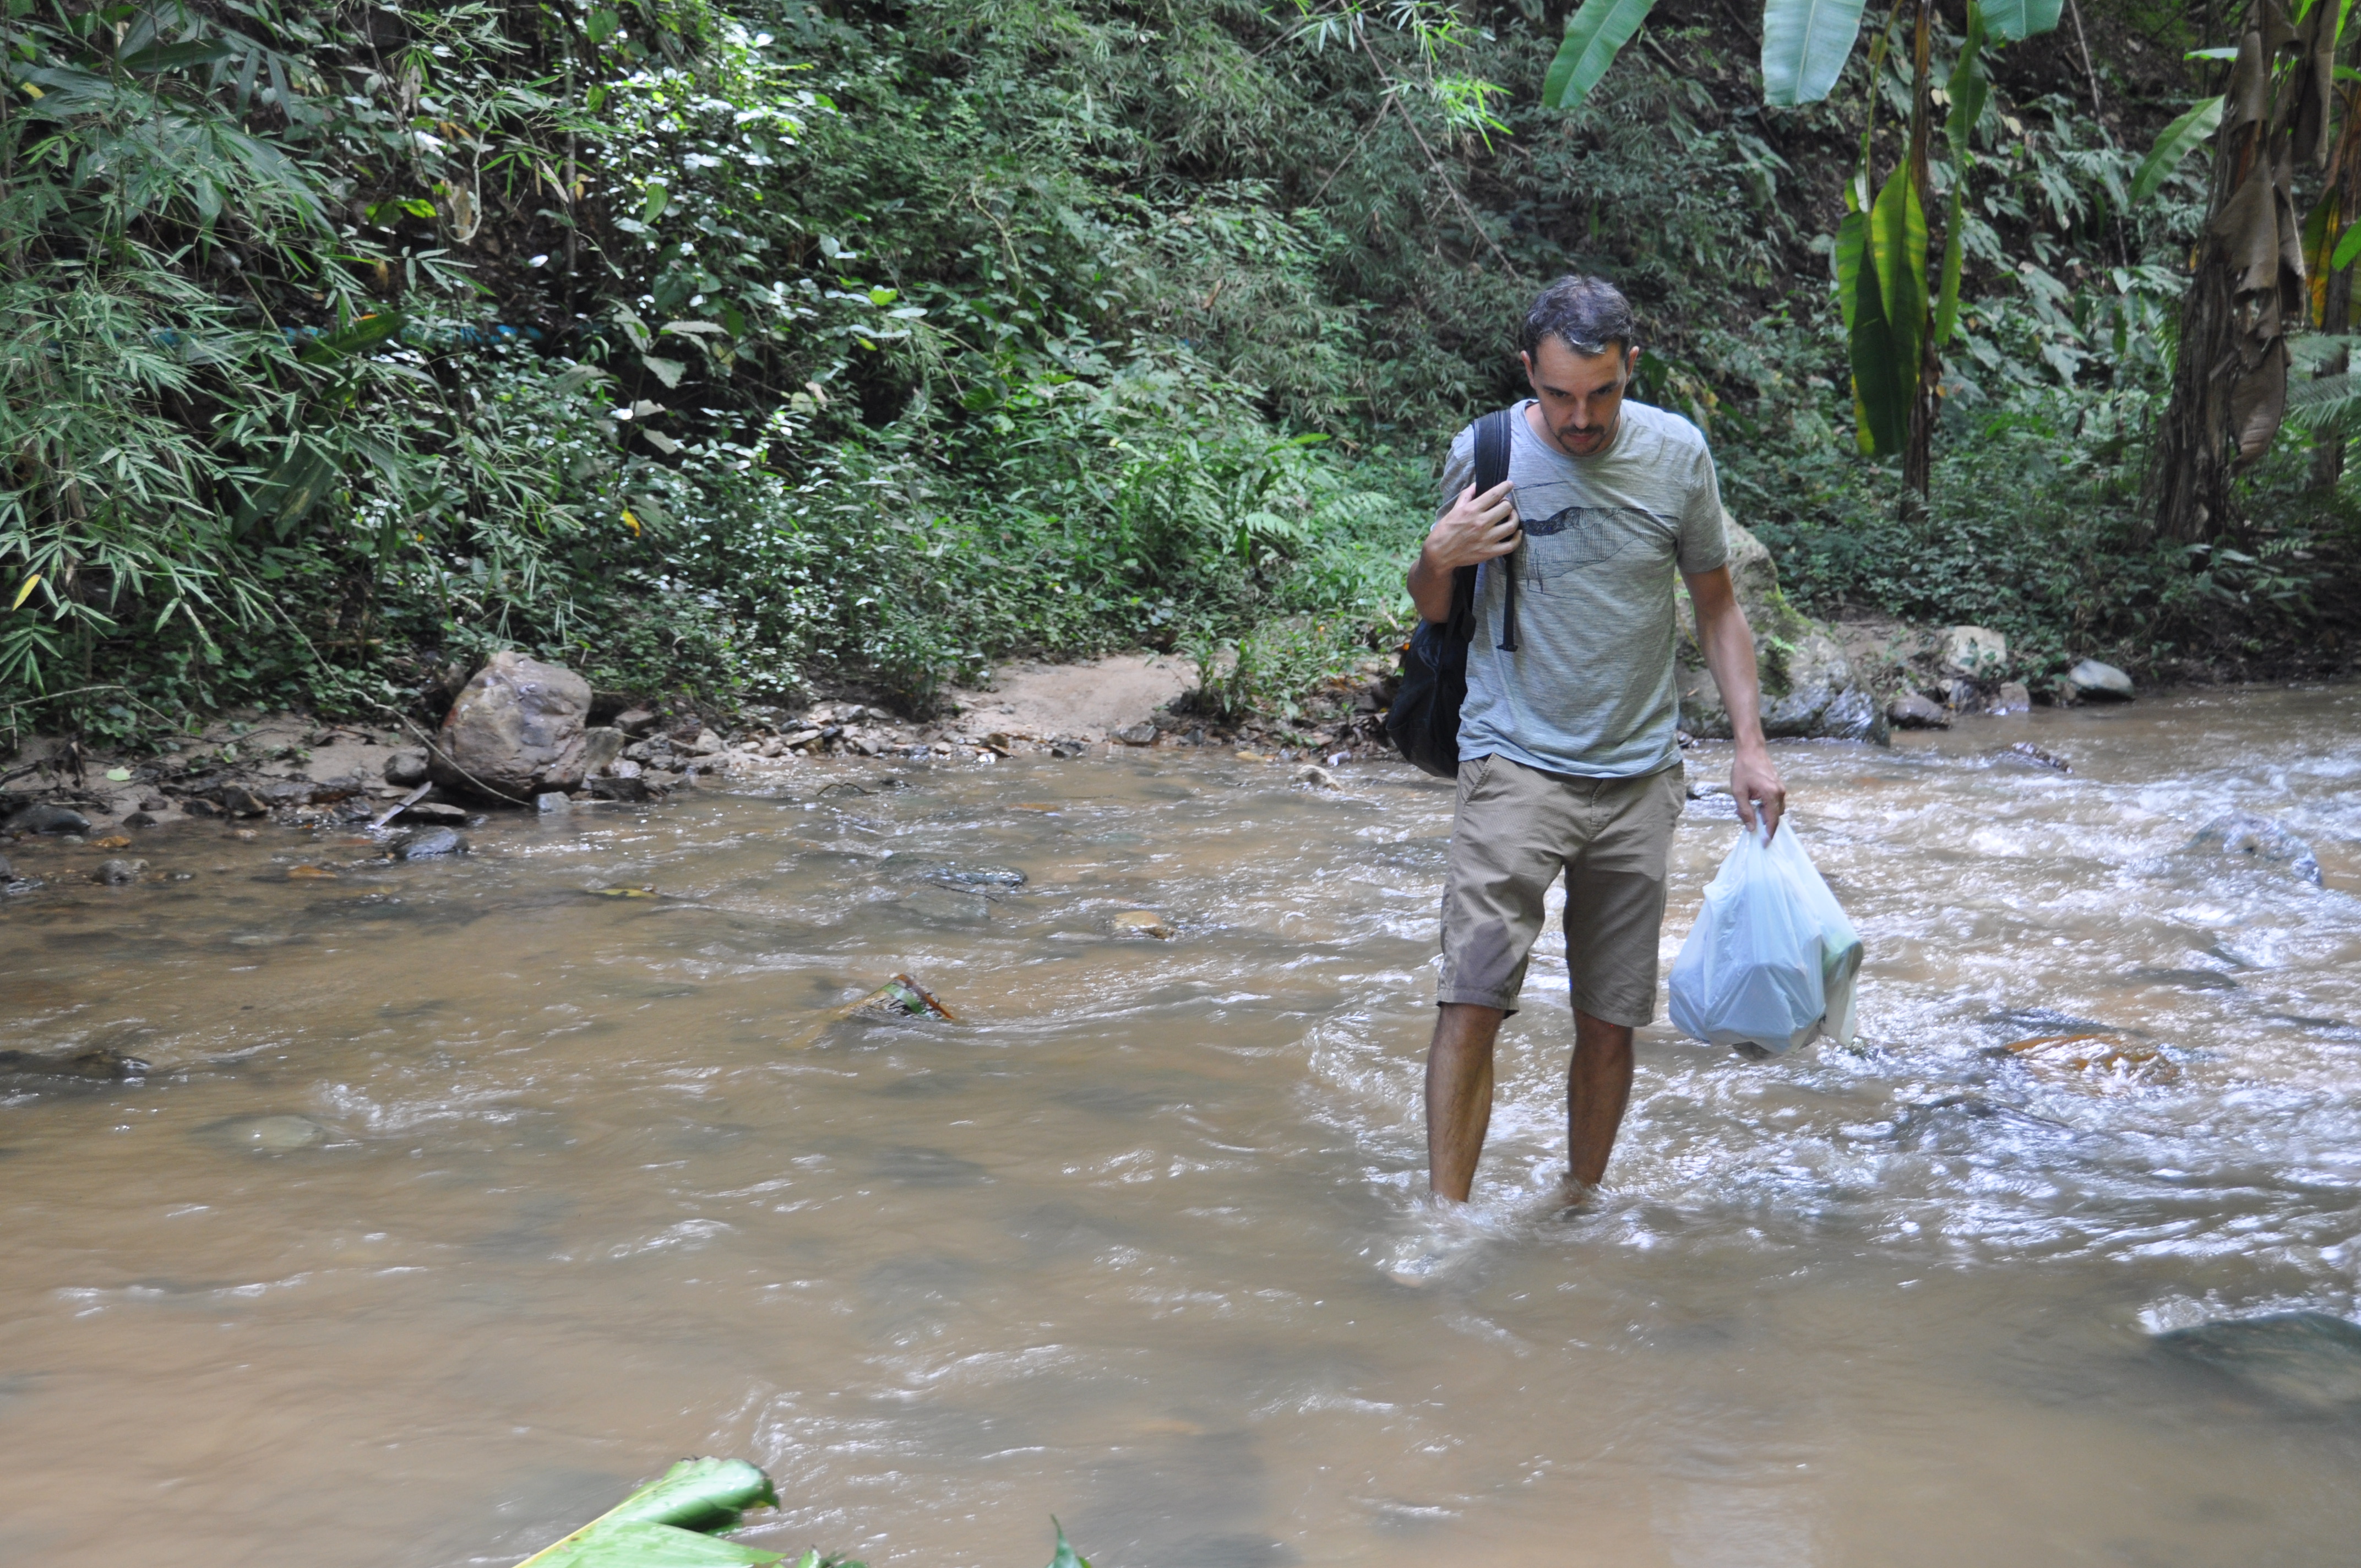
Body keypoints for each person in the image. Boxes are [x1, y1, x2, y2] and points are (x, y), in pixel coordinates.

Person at [1408, 274, 1783, 1205]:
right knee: (1471, 1000)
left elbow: (1717, 606)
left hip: (1638, 775)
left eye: (1603, 392)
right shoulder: (1485, 452)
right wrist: (1438, 553)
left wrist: (1751, 745)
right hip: (1512, 763)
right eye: (1560, 394)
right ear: (1527, 372)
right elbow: (1430, 609)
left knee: (1610, 1018)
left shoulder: (1678, 456)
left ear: (1632, 369)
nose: (1582, 417)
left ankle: (1578, 1207)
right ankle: (1446, 1221)